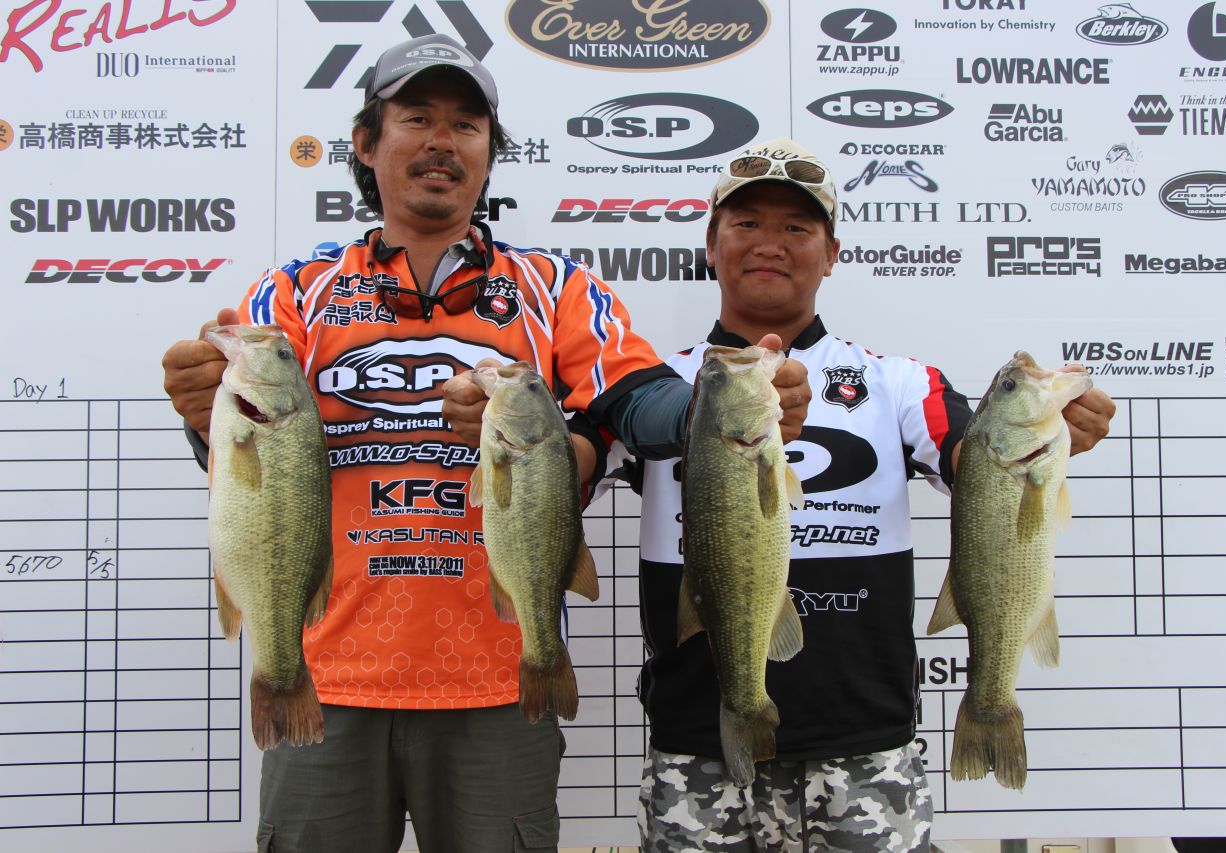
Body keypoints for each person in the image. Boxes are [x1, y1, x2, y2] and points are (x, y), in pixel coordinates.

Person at [160, 35, 809, 853]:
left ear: (490, 153)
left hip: (501, 682)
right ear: (366, 143)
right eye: (417, 118)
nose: (443, 140)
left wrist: (722, 413)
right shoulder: (292, 294)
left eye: (466, 125)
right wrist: (201, 411)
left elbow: (639, 399)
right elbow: (250, 469)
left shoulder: (557, 288)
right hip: (325, 677)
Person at [625, 137, 1117, 852]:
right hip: (697, 744)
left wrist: (1051, 434)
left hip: (867, 748)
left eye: (797, 227)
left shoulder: (900, 382)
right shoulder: (649, 390)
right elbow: (566, 468)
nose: (770, 243)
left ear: (832, 253)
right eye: (747, 222)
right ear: (711, 244)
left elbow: (974, 460)